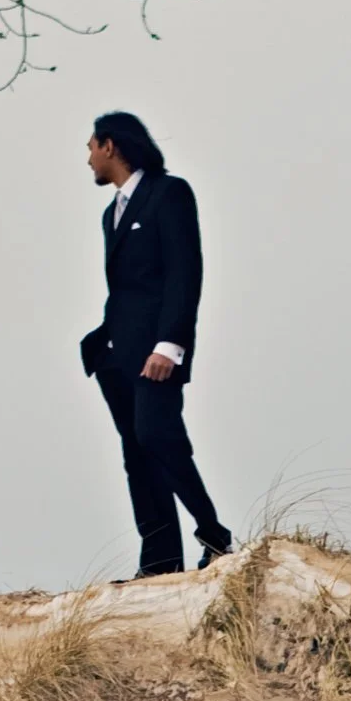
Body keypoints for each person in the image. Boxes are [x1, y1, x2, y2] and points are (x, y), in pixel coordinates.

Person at [79, 111, 233, 577]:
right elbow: (127, 289)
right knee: (136, 455)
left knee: (158, 435)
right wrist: (101, 340)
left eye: (90, 148)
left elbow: (185, 273)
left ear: (110, 146)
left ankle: (215, 536)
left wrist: (170, 345)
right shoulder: (111, 214)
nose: (87, 159)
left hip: (158, 352)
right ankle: (161, 562)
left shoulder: (170, 193)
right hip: (118, 354)